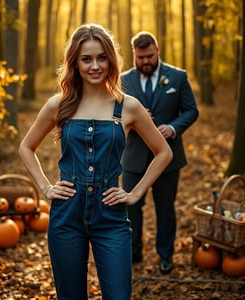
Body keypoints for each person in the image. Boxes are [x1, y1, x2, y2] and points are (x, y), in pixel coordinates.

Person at [19, 24, 172, 299]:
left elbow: (164, 152)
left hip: (110, 216)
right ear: (75, 62)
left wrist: (135, 193)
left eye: (101, 57)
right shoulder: (59, 104)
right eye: (86, 59)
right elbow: (26, 147)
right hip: (66, 216)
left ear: (111, 60)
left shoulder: (128, 106)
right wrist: (45, 188)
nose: (95, 66)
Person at [121, 31, 198, 274]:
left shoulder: (177, 77)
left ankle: (166, 255)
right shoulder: (122, 80)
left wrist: (173, 128)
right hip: (133, 158)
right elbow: (111, 113)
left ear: (158, 51)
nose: (145, 61)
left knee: (166, 208)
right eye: (140, 57)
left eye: (150, 56)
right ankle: (134, 251)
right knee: (131, 207)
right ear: (134, 54)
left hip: (167, 159)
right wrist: (132, 119)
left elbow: (191, 111)